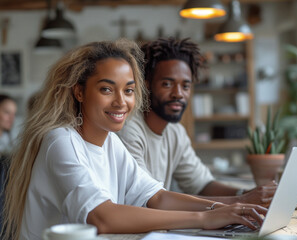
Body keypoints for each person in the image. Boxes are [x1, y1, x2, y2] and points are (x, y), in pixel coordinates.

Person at [1, 39, 267, 240]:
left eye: (128, 90)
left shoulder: (110, 142)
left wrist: (235, 206)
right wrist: (205, 217)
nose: (121, 101)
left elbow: (157, 197)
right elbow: (102, 218)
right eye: (106, 89)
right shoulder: (61, 141)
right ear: (79, 92)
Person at [117, 37, 276, 206]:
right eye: (167, 84)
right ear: (146, 85)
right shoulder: (129, 129)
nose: (178, 94)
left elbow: (202, 184)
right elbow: (152, 199)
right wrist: (240, 201)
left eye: (185, 86)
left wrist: (249, 194)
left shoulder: (175, 132)